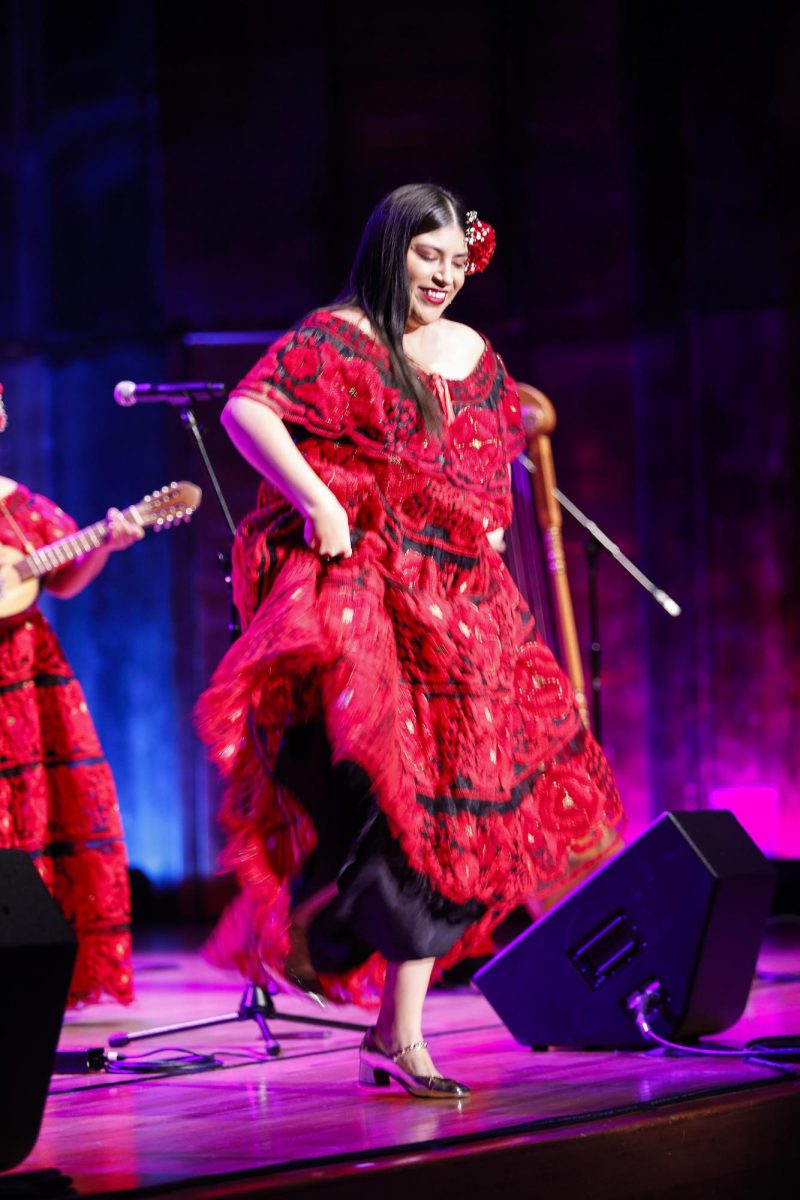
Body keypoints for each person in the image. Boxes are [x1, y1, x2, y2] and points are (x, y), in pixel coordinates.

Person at [196, 183, 626, 1098]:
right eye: (428, 257)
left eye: (457, 262)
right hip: (369, 584)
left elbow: (484, 455)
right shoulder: (341, 335)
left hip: (463, 602)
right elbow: (249, 410)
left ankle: (398, 1033)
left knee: (466, 811)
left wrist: (492, 527)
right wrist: (317, 500)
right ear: (391, 249)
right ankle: (336, 926)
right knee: (383, 788)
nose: (443, 275)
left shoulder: (474, 352)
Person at [0, 388, 142, 1007]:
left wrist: (105, 544)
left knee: (37, 811)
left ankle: (28, 975)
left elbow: (62, 581)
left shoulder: (23, 506)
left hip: (26, 677)